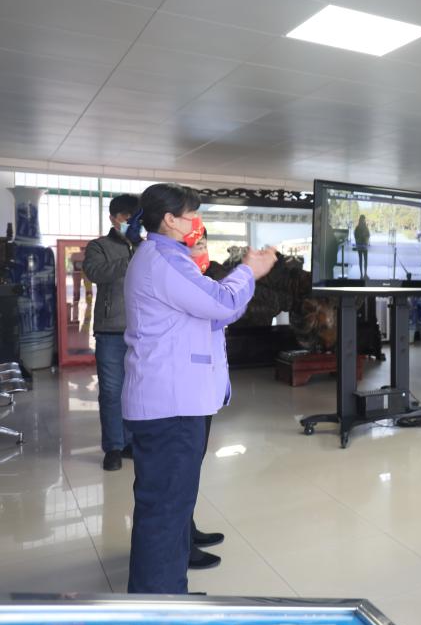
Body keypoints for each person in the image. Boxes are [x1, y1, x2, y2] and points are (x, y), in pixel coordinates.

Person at [122, 183, 276, 594]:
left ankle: (168, 588)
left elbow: (210, 311)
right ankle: (160, 605)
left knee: (170, 505)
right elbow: (222, 303)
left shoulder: (166, 257)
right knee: (165, 509)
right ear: (170, 219)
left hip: (174, 399)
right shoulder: (165, 260)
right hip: (170, 404)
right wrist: (249, 271)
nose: (197, 222)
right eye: (191, 215)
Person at [83, 194, 141, 471]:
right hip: (111, 330)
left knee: (136, 390)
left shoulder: (147, 246)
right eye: (126, 218)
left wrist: (140, 247)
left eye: (136, 218)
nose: (131, 223)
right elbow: (95, 272)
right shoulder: (99, 246)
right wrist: (131, 256)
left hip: (143, 331)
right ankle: (114, 447)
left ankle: (130, 441)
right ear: (113, 218)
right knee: (111, 391)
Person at [185, 230, 229, 571]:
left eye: (204, 244)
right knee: (182, 470)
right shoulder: (182, 282)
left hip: (205, 388)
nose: (202, 250)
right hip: (187, 390)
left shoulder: (203, 278)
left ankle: (188, 529)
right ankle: (181, 544)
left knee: (193, 464)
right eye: (196, 245)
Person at [354, 214, 370, 279]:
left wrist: (365, 238)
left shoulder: (366, 227)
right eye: (363, 219)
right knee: (360, 260)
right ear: (360, 219)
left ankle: (365, 273)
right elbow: (355, 236)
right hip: (360, 246)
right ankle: (361, 274)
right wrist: (360, 237)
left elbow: (368, 235)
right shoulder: (357, 228)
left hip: (365, 246)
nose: (363, 220)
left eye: (364, 219)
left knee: (365, 260)